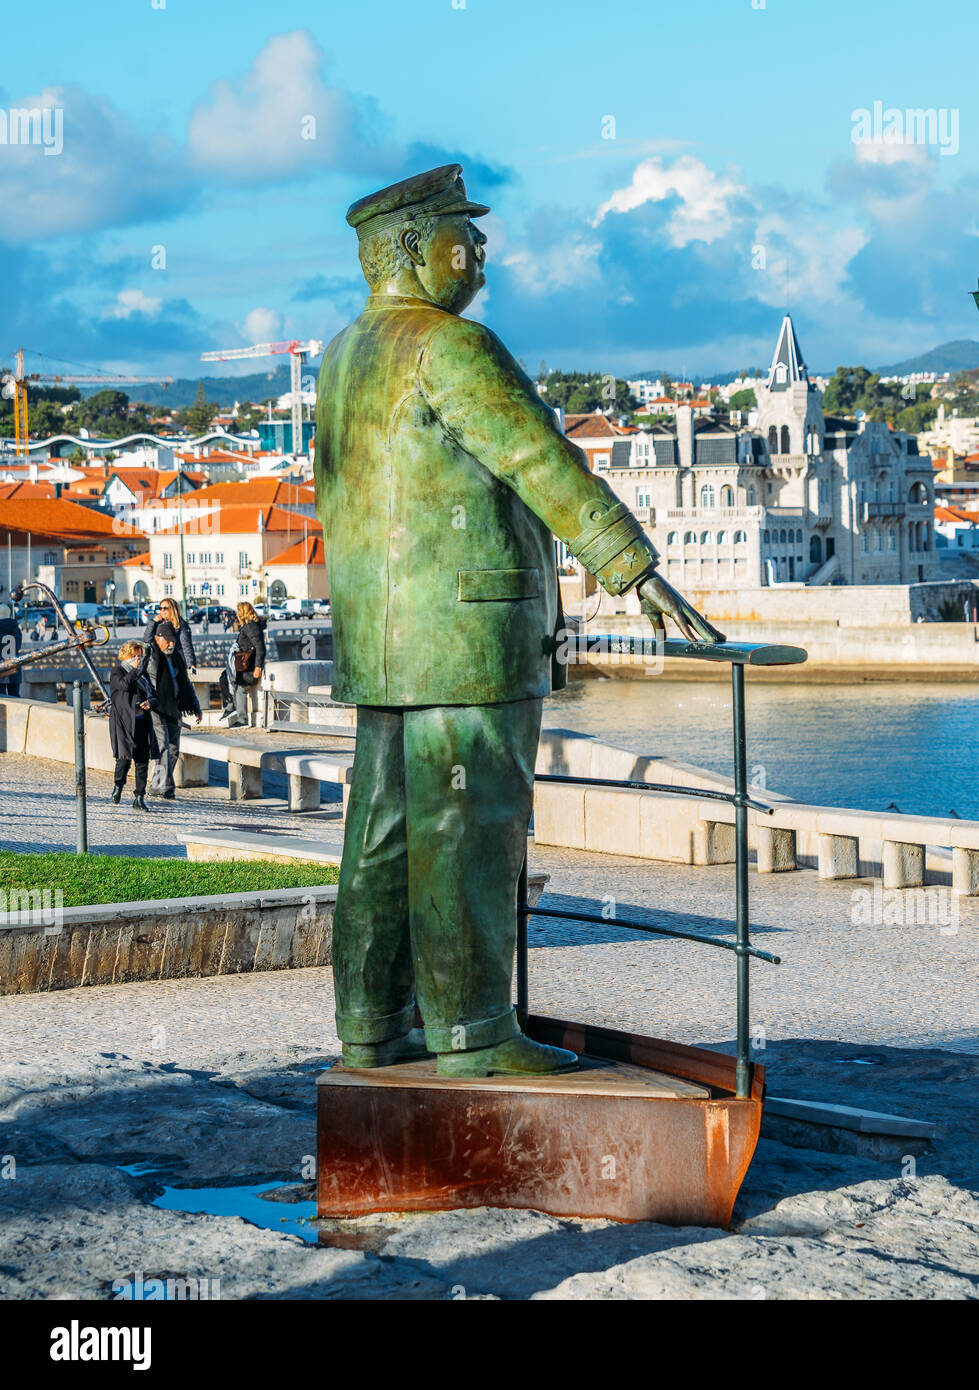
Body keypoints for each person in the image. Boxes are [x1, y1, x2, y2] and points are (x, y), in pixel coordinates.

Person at [314, 163, 722, 1074]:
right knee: (469, 830)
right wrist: (632, 566)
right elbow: (541, 460)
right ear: (417, 249)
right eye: (470, 233)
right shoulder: (450, 346)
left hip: (383, 646)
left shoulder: (343, 355)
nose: (485, 254)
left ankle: (371, 1030)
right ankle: (473, 1038)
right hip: (468, 641)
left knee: (380, 835)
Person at [146, 622, 201, 798]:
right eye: (168, 641)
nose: (172, 644)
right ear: (158, 638)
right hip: (157, 708)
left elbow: (185, 683)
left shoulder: (176, 656)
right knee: (163, 747)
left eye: (173, 641)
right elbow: (141, 679)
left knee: (173, 749)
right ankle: (167, 788)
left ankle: (156, 785)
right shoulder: (151, 654)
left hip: (174, 708)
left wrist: (195, 706)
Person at [108, 640, 155, 810]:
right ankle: (118, 787)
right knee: (124, 760)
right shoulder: (117, 672)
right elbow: (124, 685)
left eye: (140, 656)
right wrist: (135, 670)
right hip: (123, 723)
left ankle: (139, 797)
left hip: (142, 721)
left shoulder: (142, 674)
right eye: (134, 656)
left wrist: (150, 702)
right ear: (126, 655)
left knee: (142, 761)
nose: (138, 659)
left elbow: (153, 694)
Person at [218, 600, 265, 726]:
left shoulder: (250, 627)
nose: (237, 614)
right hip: (244, 663)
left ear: (243, 612)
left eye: (239, 611)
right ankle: (230, 706)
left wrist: (258, 667)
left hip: (249, 666)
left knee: (240, 687)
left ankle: (242, 719)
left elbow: (260, 647)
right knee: (225, 678)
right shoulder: (248, 626)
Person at [143, 596, 197, 674]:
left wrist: (191, 664)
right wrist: (153, 622)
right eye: (160, 608)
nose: (162, 611)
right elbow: (147, 639)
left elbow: (186, 646)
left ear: (172, 609)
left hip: (175, 662)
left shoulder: (181, 624)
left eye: (165, 608)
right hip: (158, 661)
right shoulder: (157, 623)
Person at [0, 604, 21, 697]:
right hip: (14, 667)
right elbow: (18, 647)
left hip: (2, 668)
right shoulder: (16, 629)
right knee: (15, 696)